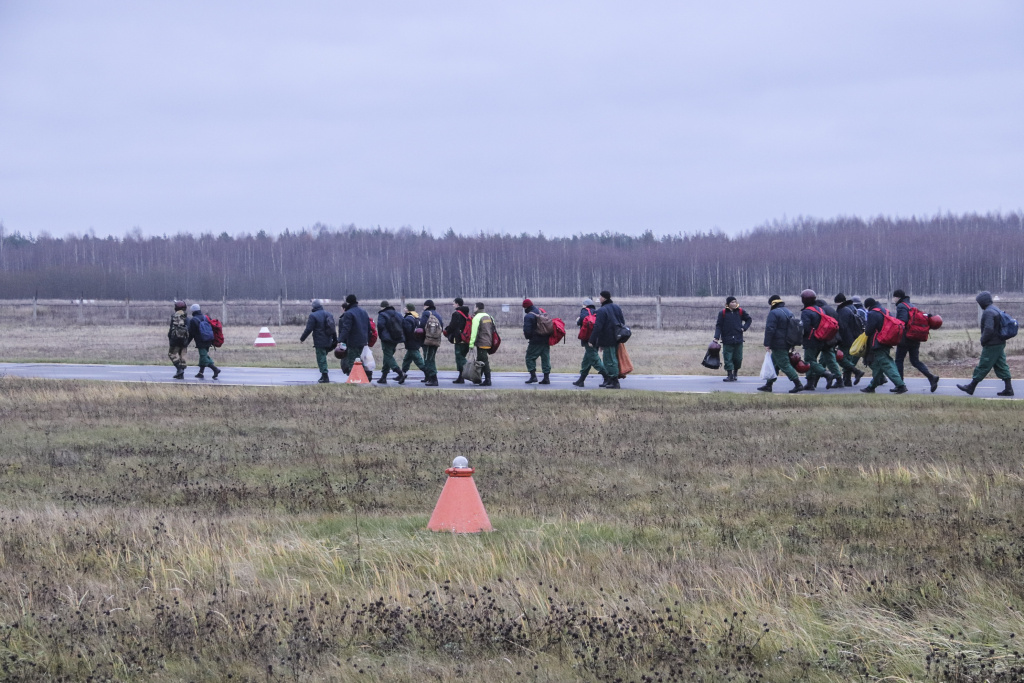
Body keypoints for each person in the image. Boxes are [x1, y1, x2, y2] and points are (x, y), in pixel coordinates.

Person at [958, 291, 1014, 396]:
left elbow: (988, 329)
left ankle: (971, 387)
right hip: (999, 342)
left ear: (983, 302)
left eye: (979, 302)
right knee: (1001, 365)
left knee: (984, 365)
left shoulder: (988, 312)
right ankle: (1009, 389)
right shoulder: (995, 309)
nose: (979, 304)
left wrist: (983, 340)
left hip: (992, 344)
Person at [892, 289, 940, 392]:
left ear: (898, 297)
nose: (893, 299)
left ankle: (900, 385)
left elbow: (902, 321)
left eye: (894, 297)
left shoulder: (901, 306)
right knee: (915, 361)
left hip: (905, 338)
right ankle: (931, 377)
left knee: (899, 360)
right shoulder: (912, 305)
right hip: (916, 337)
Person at [859, 297, 907, 393]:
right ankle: (871, 387)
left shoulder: (872, 313)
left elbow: (868, 331)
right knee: (877, 366)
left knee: (886, 365)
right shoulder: (885, 311)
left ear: (868, 306)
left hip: (877, 343)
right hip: (886, 340)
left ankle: (900, 385)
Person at [756, 295, 803, 393]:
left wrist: (767, 343)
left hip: (778, 343)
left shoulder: (773, 313)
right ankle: (769, 385)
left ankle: (798, 384)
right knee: (774, 364)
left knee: (784, 364)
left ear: (772, 304)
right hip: (787, 342)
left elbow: (770, 329)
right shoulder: (789, 312)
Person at [799, 289, 838, 390]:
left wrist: (800, 335)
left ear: (804, 300)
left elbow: (806, 328)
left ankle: (826, 374)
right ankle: (810, 383)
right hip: (821, 338)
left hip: (811, 340)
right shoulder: (820, 309)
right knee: (812, 360)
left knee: (809, 361)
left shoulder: (806, 312)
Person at [589, 290, 626, 389]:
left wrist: (592, 340)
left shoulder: (602, 310)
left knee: (610, 360)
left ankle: (615, 381)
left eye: (600, 297)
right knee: (609, 358)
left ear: (604, 298)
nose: (599, 299)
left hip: (607, 338)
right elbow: (622, 321)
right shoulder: (617, 307)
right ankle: (609, 380)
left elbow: (598, 326)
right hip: (617, 337)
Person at [713, 296, 752, 382]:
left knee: (738, 358)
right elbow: (719, 326)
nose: (734, 303)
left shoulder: (740, 311)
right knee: (728, 358)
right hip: (727, 339)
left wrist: (744, 328)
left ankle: (735, 373)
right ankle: (729, 375)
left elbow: (749, 319)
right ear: (728, 304)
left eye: (735, 302)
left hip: (738, 339)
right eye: (732, 302)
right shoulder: (722, 313)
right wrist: (716, 337)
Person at [299, 299, 337, 383]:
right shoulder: (329, 314)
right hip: (329, 340)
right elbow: (333, 328)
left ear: (313, 307)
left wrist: (302, 338)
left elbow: (309, 329)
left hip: (320, 341)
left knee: (321, 358)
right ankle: (323, 376)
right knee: (323, 357)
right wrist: (335, 339)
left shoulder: (313, 316)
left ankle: (325, 377)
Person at [833, 293, 866, 386]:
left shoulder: (843, 311)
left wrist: (837, 339)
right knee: (848, 358)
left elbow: (842, 326)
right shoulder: (852, 308)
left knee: (842, 358)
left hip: (846, 339)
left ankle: (856, 372)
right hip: (854, 338)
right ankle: (847, 380)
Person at [573, 297, 606, 387]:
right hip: (596, 338)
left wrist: (578, 320)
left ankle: (607, 377)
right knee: (586, 361)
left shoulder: (584, 311)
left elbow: (582, 319)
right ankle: (581, 380)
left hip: (588, 339)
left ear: (585, 305)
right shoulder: (596, 312)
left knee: (595, 360)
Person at [337, 294, 371, 380]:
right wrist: (367, 339)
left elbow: (346, 328)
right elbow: (368, 327)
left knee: (353, 360)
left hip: (353, 341)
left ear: (348, 302)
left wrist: (340, 340)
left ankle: (355, 379)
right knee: (358, 359)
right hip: (363, 340)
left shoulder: (348, 313)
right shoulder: (363, 312)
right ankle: (365, 375)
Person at [375, 300, 406, 384]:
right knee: (388, 356)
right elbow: (403, 324)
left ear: (382, 307)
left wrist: (381, 336)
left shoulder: (382, 314)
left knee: (388, 356)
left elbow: (380, 325)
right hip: (396, 338)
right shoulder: (398, 314)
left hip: (387, 339)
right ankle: (383, 377)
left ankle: (400, 373)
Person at [186, 303, 221, 379]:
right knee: (203, 356)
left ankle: (215, 369)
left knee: (203, 357)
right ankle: (200, 373)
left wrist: (186, 343)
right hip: (209, 339)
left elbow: (191, 334)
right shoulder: (206, 317)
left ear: (192, 311)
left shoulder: (193, 320)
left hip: (201, 341)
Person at [522, 298, 551, 384]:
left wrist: (528, 337)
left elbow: (527, 331)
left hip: (535, 341)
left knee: (529, 357)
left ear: (526, 307)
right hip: (546, 339)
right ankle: (546, 378)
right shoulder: (540, 311)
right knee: (545, 358)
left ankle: (533, 376)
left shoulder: (528, 316)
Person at [469, 301, 495, 386]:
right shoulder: (489, 316)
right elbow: (493, 330)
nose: (473, 309)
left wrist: (471, 344)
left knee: (484, 361)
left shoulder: (477, 317)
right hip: (489, 341)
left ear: (477, 308)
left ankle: (488, 380)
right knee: (481, 360)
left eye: (474, 307)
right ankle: (478, 378)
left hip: (482, 342)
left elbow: (474, 332)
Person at [419, 299, 444, 386]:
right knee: (431, 358)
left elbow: (421, 326)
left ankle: (433, 379)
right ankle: (430, 378)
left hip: (428, 340)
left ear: (426, 306)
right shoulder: (437, 314)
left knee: (428, 359)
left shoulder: (426, 313)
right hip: (436, 340)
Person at [400, 303, 427, 383]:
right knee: (407, 359)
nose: (404, 309)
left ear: (408, 309)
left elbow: (408, 331)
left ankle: (429, 374)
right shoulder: (416, 317)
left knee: (418, 360)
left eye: (405, 308)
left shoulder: (408, 318)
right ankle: (402, 374)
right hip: (416, 341)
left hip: (411, 342)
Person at [447, 298, 472, 384]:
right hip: (467, 339)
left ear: (457, 304)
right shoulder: (467, 314)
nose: (453, 305)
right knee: (462, 356)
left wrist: (446, 331)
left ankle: (471, 369)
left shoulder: (456, 314)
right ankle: (460, 377)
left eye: (453, 303)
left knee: (459, 357)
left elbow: (452, 326)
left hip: (459, 339)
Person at [167, 300, 189, 380]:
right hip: (184, 339)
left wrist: (170, 337)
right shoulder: (186, 317)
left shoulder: (174, 316)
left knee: (172, 354)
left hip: (175, 338)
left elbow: (171, 329)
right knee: (182, 356)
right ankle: (181, 374)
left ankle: (179, 370)